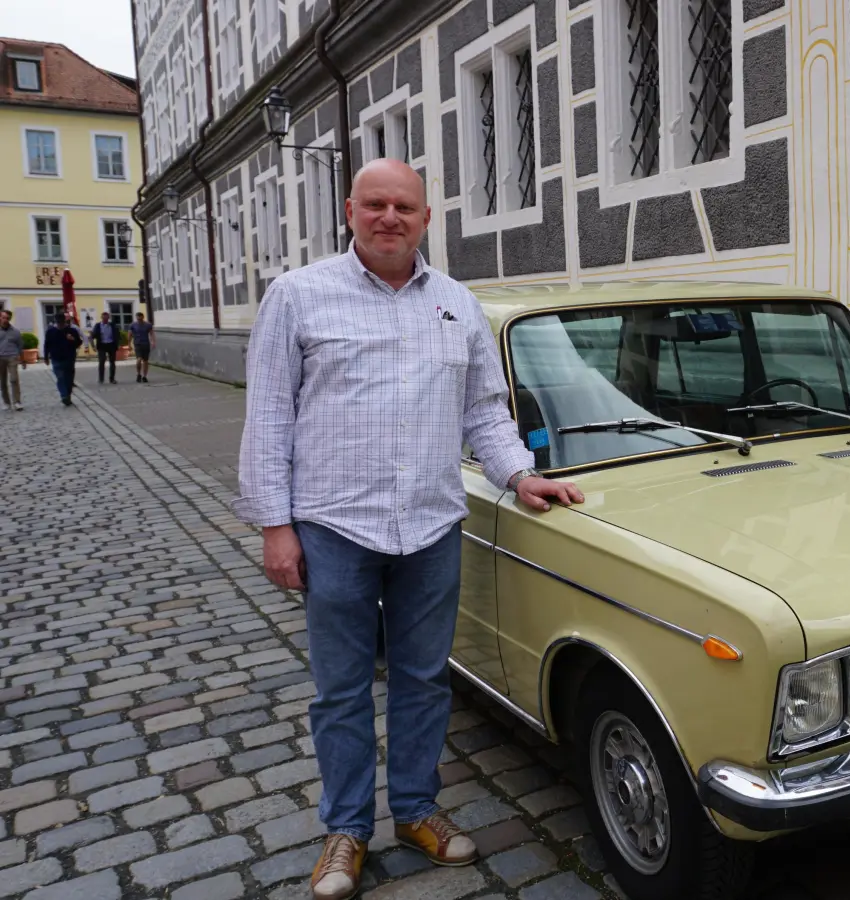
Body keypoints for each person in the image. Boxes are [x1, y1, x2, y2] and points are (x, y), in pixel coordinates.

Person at [234, 159, 584, 900]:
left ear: (427, 218)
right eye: (375, 204)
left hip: (430, 527)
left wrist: (521, 475)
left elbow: (485, 411)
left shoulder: (457, 304)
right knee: (340, 689)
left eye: (404, 206)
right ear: (351, 211)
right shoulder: (299, 297)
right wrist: (275, 526)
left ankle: (417, 812)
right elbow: (268, 415)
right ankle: (347, 830)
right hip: (333, 527)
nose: (389, 217)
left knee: (425, 681)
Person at [41, 314, 82, 406]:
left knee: (69, 379)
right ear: (56, 322)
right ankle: (64, 396)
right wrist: (46, 357)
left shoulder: (72, 331)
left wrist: (72, 339)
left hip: (69, 358)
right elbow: (46, 345)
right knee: (60, 377)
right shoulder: (51, 332)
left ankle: (68, 394)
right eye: (58, 323)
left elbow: (79, 343)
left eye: (62, 323)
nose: (60, 324)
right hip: (56, 358)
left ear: (65, 322)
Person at [0, 309, 23, 411]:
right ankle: (6, 402)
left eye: (7, 318)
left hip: (12, 356)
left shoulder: (15, 332)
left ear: (10, 319)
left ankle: (17, 401)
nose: (5, 320)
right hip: (0, 357)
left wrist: (23, 359)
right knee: (2, 381)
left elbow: (20, 346)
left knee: (14, 379)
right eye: (3, 317)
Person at [90, 312, 122, 384]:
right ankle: (101, 378)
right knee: (101, 361)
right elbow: (92, 336)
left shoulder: (112, 325)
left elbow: (117, 334)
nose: (105, 320)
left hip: (111, 345)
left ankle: (112, 378)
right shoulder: (98, 326)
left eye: (107, 318)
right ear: (101, 318)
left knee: (112, 362)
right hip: (102, 345)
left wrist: (118, 343)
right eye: (104, 318)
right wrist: (93, 346)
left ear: (108, 318)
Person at [130, 312, 154, 383]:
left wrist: (153, 341)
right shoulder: (133, 325)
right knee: (139, 359)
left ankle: (144, 376)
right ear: (136, 318)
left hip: (146, 344)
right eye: (138, 319)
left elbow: (151, 333)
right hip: (137, 343)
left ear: (143, 317)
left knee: (145, 361)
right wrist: (128, 343)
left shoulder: (148, 325)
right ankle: (138, 374)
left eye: (140, 318)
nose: (139, 320)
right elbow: (130, 334)